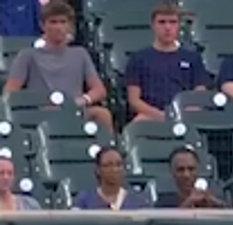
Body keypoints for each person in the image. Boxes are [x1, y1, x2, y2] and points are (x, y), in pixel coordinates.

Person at [3, 2, 114, 132]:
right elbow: (10, 91)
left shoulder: (80, 54)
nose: (58, 27)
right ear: (42, 25)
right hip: (39, 114)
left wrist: (82, 100)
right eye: (53, 22)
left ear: (70, 26)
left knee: (103, 114)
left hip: (74, 111)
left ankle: (107, 150)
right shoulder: (27, 55)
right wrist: (32, 104)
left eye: (63, 22)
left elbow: (99, 90)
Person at [125, 1, 209, 123]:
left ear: (179, 25)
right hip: (151, 115)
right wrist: (161, 116)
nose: (167, 27)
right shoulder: (138, 59)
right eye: (162, 22)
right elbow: (134, 100)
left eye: (172, 22)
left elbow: (200, 93)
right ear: (153, 25)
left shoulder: (193, 58)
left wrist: (183, 114)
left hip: (185, 115)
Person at [73, 147, 151, 210]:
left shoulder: (138, 201)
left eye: (119, 165)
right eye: (108, 165)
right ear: (98, 170)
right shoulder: (84, 201)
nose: (114, 169)